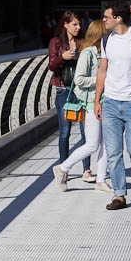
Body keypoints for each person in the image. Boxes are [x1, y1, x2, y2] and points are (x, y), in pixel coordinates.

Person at [94, 1, 131, 211]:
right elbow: (102, 69)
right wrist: (97, 99)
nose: (103, 20)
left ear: (118, 18)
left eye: (106, 17)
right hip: (110, 102)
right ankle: (119, 195)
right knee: (113, 152)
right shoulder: (106, 39)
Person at [53, 20, 112, 193]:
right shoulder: (88, 53)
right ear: (99, 34)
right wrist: (100, 80)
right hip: (91, 103)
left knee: (105, 144)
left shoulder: (102, 53)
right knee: (93, 144)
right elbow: (79, 80)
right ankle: (63, 168)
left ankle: (101, 180)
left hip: (103, 102)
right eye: (106, 33)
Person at [48, 11, 92, 181]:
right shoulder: (56, 42)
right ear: (65, 24)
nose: (78, 27)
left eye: (79, 24)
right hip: (63, 90)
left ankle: (87, 170)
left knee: (85, 132)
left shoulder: (83, 42)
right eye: (74, 24)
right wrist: (62, 57)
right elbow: (51, 65)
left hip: (81, 91)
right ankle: (63, 170)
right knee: (65, 132)